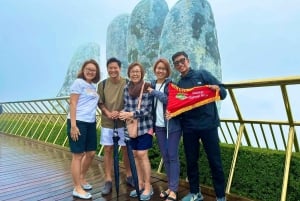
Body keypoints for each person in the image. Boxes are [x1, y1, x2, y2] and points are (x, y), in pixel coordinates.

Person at [171, 51, 227, 201]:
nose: (180, 64)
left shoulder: (203, 74)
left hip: (209, 125)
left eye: (182, 61)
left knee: (215, 161)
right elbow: (178, 106)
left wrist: (218, 90)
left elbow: (223, 92)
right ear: (175, 67)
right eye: (177, 63)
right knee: (191, 161)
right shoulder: (178, 85)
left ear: (188, 61)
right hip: (189, 128)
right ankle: (195, 193)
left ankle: (221, 196)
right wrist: (171, 113)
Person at [97, 57, 134, 195]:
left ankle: (129, 175)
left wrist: (122, 112)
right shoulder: (102, 84)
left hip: (124, 121)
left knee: (126, 149)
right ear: (107, 69)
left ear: (120, 68)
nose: (113, 70)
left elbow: (132, 100)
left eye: (115, 68)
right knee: (108, 149)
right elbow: (100, 102)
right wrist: (108, 113)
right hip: (108, 122)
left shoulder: (127, 83)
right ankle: (108, 180)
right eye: (110, 68)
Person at [147, 58, 181, 201]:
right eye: (158, 68)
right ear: (155, 69)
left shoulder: (170, 84)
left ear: (167, 71)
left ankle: (174, 190)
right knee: (166, 157)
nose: (160, 71)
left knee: (172, 156)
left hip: (172, 126)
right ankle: (170, 186)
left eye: (163, 69)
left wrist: (154, 92)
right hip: (159, 126)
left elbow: (170, 100)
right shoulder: (152, 84)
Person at [119, 62, 154, 201]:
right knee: (134, 154)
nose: (135, 74)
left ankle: (148, 187)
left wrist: (130, 114)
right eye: (132, 71)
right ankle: (139, 185)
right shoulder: (127, 88)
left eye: (137, 71)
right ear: (129, 73)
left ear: (142, 73)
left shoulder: (146, 87)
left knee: (142, 154)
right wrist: (123, 113)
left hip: (145, 126)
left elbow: (147, 110)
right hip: (132, 127)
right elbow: (126, 106)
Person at [67, 59, 100, 200]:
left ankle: (81, 178)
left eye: (93, 70)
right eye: (88, 69)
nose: (91, 71)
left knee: (91, 153)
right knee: (78, 155)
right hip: (78, 122)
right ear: (83, 69)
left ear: (96, 72)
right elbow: (73, 103)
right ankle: (77, 188)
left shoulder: (93, 86)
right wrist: (73, 125)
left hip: (91, 122)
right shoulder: (78, 82)